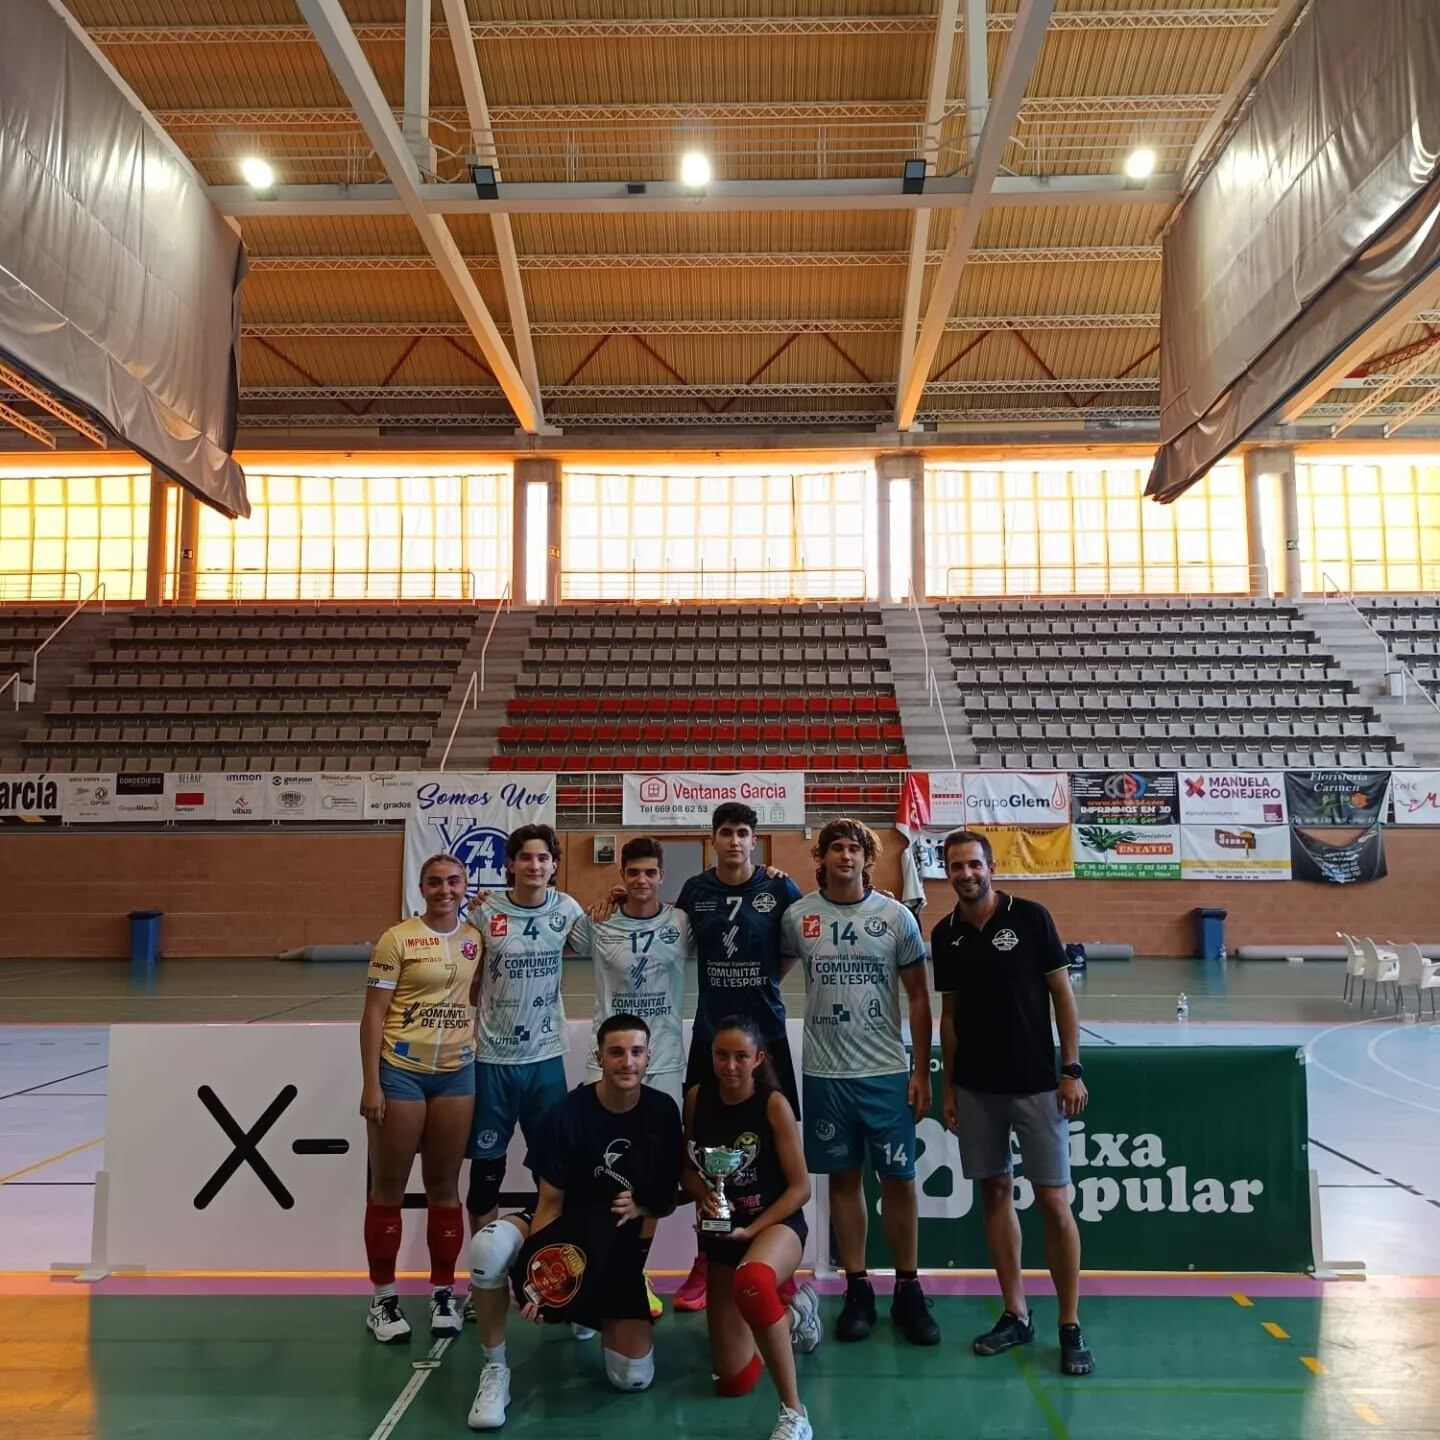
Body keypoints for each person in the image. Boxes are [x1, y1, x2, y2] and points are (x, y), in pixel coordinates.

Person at [465, 1014, 683, 1430]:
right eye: (616, 1052)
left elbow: (665, 1202)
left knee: (632, 1378)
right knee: (487, 1248)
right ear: (599, 1056)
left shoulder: (663, 1112)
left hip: (615, 1248)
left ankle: (588, 1314)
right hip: (565, 1226)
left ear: (648, 1057)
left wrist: (639, 1221)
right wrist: (538, 1279)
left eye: (636, 1052)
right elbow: (549, 1203)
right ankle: (495, 1369)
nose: (627, 1062)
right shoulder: (566, 1113)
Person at [931, 829, 1094, 1377]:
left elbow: (1062, 996)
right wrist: (949, 1087)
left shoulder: (1031, 917)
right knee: (995, 1193)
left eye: (973, 865)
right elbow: (949, 1018)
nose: (966, 874)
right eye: (955, 867)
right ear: (946, 871)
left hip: (1037, 1086)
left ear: (991, 866)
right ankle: (1016, 1314)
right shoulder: (945, 933)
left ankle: (1069, 1324)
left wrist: (1070, 1069)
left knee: (1053, 1202)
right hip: (977, 1089)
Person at [780, 818, 939, 1347]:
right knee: (844, 1183)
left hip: (885, 1071)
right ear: (820, 858)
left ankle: (909, 1289)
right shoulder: (798, 916)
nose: (845, 857)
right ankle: (857, 1288)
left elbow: (918, 995)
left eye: (854, 849)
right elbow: (768, 978)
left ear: (868, 859)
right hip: (826, 1072)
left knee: (899, 1181)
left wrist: (920, 1069)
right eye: (836, 849)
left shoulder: (895, 917)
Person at [671, 801, 803, 1311]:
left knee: (771, 1144)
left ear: (755, 840)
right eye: (725, 832)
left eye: (742, 832)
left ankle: (776, 1259)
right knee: (705, 1147)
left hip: (764, 1035)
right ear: (713, 839)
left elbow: (788, 948)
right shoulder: (696, 892)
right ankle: (708, 1258)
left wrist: (766, 982)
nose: (733, 840)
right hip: (710, 1035)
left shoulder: (778, 888)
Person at [571, 835, 694, 1322]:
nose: (641, 881)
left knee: (651, 1177)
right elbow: (540, 927)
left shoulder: (681, 923)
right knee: (593, 1169)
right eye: (633, 873)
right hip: (606, 1064)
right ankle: (592, 1266)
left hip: (661, 1064)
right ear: (621, 876)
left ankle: (631, 1271)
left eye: (650, 873)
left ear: (663, 876)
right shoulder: (597, 924)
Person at [360, 852, 482, 1342]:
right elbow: (373, 1015)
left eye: (453, 881)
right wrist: (372, 1082)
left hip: (457, 1075)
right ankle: (383, 1299)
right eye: (435, 882)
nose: (445, 890)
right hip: (401, 1074)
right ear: (422, 887)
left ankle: (441, 1293)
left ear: (466, 885)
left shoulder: (476, 939)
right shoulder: (398, 939)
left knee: (445, 1187)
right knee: (388, 1188)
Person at [684, 1015, 818, 1440]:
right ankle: (795, 1315)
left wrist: (754, 1227)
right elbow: (688, 1167)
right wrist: (704, 1193)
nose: (730, 1065)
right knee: (734, 1382)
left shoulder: (773, 1103)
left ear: (758, 1059)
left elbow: (800, 1189)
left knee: (755, 1283)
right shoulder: (697, 1097)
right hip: (723, 1233)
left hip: (775, 1225)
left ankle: (794, 1414)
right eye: (722, 1055)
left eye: (741, 1056)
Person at [465, 824, 585, 1236]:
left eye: (543, 858)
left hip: (545, 1057)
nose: (535, 865)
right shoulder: (484, 911)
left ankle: (546, 1267)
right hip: (492, 1058)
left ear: (554, 865)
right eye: (526, 857)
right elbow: (469, 975)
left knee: (551, 1169)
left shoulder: (567, 909)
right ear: (510, 864)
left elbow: (602, 942)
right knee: (485, 1173)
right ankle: (483, 1279)